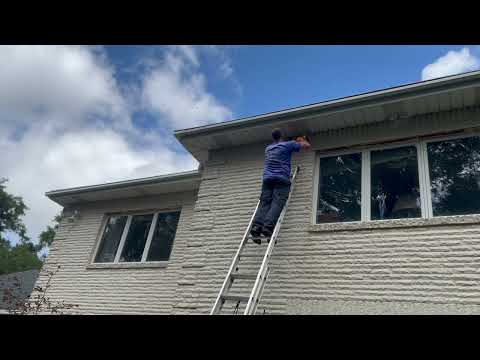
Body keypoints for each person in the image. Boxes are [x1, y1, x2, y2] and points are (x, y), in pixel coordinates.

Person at [250, 128, 311, 244]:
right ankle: (268, 227)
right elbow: (307, 145)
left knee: (264, 203)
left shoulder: (268, 149)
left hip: (267, 180)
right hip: (281, 179)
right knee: (277, 203)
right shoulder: (288, 145)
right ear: (282, 137)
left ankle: (256, 227)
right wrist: (300, 140)